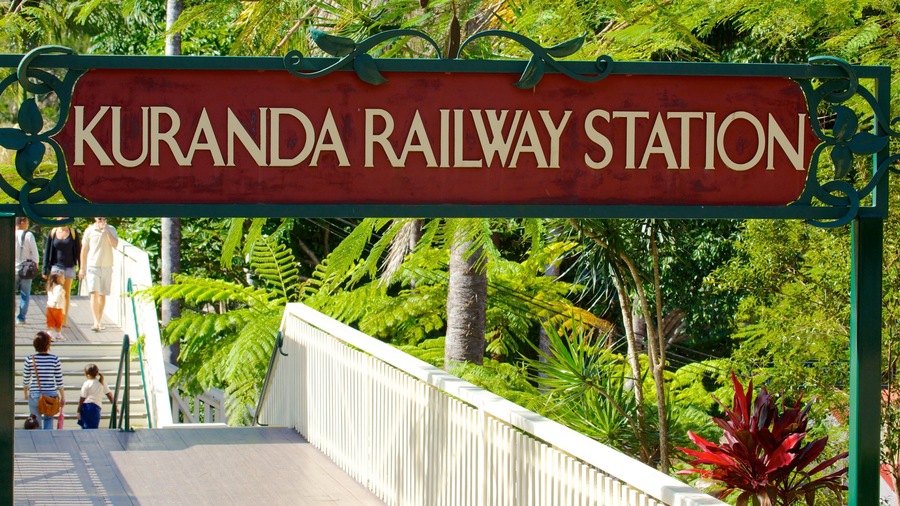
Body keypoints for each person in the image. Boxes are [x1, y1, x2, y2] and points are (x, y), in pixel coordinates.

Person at [79, 217, 118, 332]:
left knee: (102, 294)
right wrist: (82, 268)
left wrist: (106, 231)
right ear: (95, 218)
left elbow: (115, 244)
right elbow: (84, 250)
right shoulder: (89, 230)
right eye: (99, 218)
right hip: (93, 266)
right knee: (94, 293)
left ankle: (99, 320)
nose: (101, 220)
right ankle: (96, 322)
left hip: (107, 266)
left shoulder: (111, 229)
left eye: (104, 218)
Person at [21, 331, 65, 430]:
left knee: (36, 420)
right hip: (51, 395)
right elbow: (59, 380)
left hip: (35, 394)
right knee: (49, 419)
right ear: (48, 344)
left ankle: (38, 441)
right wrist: (63, 396)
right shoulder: (54, 359)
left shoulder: (30, 359)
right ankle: (48, 441)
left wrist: (25, 394)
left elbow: (26, 379)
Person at [43, 223, 80, 327]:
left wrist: (82, 268)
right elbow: (48, 250)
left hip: (69, 266)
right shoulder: (53, 232)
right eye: (60, 217)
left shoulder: (72, 232)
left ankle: (64, 319)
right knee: (54, 293)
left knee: (66, 293)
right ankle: (54, 318)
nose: (62, 219)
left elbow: (78, 250)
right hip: (56, 266)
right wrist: (45, 269)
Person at [14, 216, 39, 325]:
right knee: (25, 294)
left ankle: (10, 314)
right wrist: (36, 265)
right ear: (23, 221)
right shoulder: (28, 235)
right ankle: (21, 317)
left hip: (12, 268)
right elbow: (35, 253)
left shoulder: (10, 233)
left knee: (10, 293)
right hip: (26, 268)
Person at [76, 363, 114, 429]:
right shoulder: (102, 382)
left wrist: (78, 411)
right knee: (94, 428)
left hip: (85, 407)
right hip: (96, 408)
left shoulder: (86, 383)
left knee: (85, 428)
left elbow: (82, 398)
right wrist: (114, 405)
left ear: (87, 374)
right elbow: (109, 395)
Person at [45, 271, 66, 341]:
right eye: (63, 278)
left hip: (49, 306)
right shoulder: (59, 287)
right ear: (58, 279)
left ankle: (50, 333)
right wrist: (55, 302)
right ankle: (58, 335)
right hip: (57, 307)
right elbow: (57, 296)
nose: (64, 280)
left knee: (50, 321)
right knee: (58, 321)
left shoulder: (50, 286)